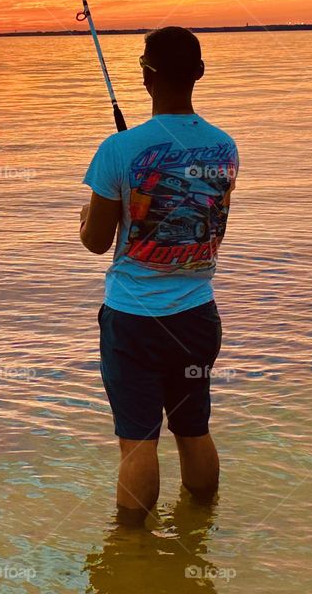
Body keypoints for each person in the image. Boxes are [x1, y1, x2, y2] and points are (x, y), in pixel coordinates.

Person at [79, 27, 238, 525]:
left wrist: (84, 217)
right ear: (200, 73)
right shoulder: (224, 147)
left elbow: (96, 240)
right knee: (193, 429)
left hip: (134, 320)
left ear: (147, 76)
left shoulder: (119, 149)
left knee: (138, 441)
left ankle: (132, 552)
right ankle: (201, 529)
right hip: (197, 315)